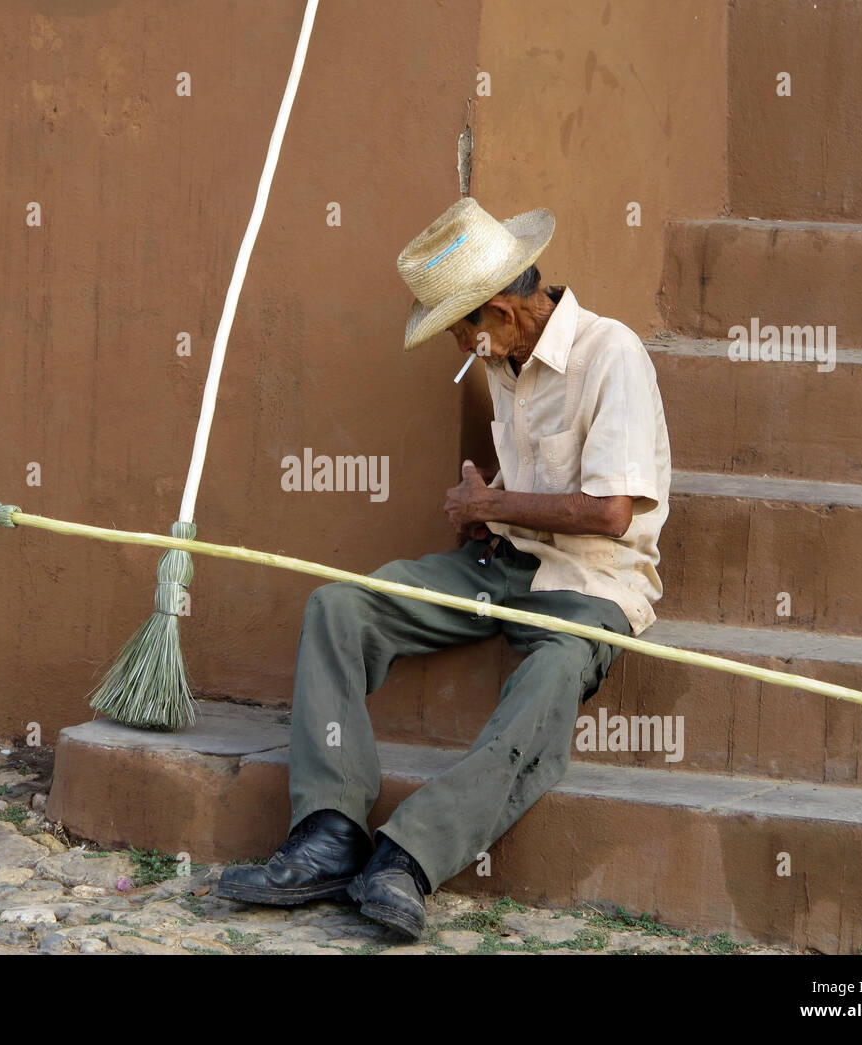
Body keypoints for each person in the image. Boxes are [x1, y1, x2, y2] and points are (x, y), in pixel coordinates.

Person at [214, 197, 671, 940]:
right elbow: (534, 490)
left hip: (592, 585)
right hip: (501, 563)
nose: (464, 345)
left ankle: (409, 854)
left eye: (465, 329)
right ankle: (330, 831)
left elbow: (610, 512)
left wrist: (491, 502)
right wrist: (487, 507)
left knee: (550, 684)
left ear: (500, 309)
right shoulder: (511, 359)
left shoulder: (610, 352)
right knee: (340, 608)